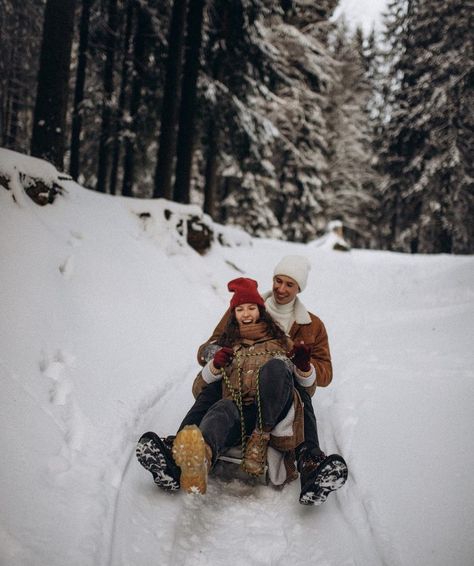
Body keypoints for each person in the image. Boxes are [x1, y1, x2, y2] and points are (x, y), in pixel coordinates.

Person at [193, 255, 347, 504]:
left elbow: (325, 372)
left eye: (289, 284)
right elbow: (212, 344)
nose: (281, 289)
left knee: (301, 395)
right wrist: (218, 355)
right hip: (240, 376)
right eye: (278, 281)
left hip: (284, 383)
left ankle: (310, 463)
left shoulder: (312, 325)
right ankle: (185, 449)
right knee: (212, 391)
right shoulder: (248, 307)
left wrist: (304, 365)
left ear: (299, 288)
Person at [137, 277, 311, 494]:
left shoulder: (281, 343)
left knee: (275, 367)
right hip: (237, 412)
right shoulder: (228, 345)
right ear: (233, 315)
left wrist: (303, 366)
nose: (246, 314)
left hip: (268, 414)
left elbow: (306, 390)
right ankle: (198, 463)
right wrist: (215, 365)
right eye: (240, 310)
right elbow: (199, 390)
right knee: (222, 408)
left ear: (260, 311)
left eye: (251, 308)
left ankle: (259, 436)